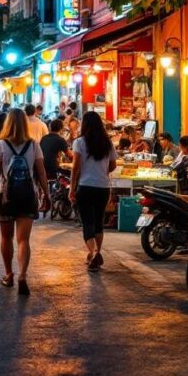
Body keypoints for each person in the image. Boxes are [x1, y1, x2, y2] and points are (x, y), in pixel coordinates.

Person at [0, 108, 50, 295]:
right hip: (27, 195)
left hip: (6, 195)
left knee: (6, 237)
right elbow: (41, 172)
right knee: (23, 240)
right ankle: (23, 274)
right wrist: (46, 194)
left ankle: (9, 274)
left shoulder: (1, 144)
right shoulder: (33, 145)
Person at [69, 111, 118, 272]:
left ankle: (94, 252)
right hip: (103, 187)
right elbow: (113, 166)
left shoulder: (79, 142)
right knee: (98, 223)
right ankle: (94, 254)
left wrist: (72, 187)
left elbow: (75, 167)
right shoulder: (107, 143)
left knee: (87, 222)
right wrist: (102, 172)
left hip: (85, 186)